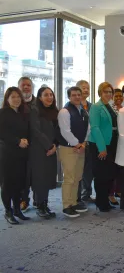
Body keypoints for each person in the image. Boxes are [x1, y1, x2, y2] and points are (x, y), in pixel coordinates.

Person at [57, 86, 90, 218]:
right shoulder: (64, 112)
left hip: (80, 148)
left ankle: (74, 202)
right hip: (69, 149)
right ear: (69, 97)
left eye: (79, 94)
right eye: (74, 95)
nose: (77, 97)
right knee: (69, 178)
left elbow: (89, 128)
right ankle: (66, 206)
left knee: (77, 177)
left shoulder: (83, 111)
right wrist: (77, 144)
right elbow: (65, 131)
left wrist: (84, 143)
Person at [0, 87, 30, 224]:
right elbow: (3, 133)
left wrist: (25, 140)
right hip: (7, 154)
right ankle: (8, 212)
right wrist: (18, 141)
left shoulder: (22, 113)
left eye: (18, 97)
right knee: (8, 184)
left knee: (19, 183)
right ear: (7, 99)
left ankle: (17, 210)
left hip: (22, 154)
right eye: (13, 97)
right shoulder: (3, 113)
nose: (16, 99)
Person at [88, 82, 118, 212]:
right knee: (101, 175)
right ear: (100, 93)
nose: (108, 94)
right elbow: (95, 128)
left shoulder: (110, 106)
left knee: (109, 174)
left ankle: (105, 199)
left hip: (111, 143)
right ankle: (101, 202)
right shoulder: (96, 107)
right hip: (100, 145)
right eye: (105, 92)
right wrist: (102, 148)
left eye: (110, 92)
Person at [30, 87, 59, 219]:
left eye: (51, 95)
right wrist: (48, 146)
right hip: (39, 150)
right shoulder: (35, 110)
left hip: (51, 149)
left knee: (47, 177)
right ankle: (40, 205)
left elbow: (59, 131)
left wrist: (55, 146)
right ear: (39, 97)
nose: (49, 97)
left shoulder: (55, 111)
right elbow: (36, 131)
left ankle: (44, 204)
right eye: (46, 95)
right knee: (40, 178)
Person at [18, 77, 36, 212]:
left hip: (37, 146)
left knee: (37, 175)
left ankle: (39, 200)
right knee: (22, 176)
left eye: (28, 85)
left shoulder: (39, 103)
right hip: (20, 147)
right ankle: (23, 200)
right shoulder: (13, 104)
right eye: (23, 85)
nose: (26, 87)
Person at [76, 80, 94, 203]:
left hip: (91, 143)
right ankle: (77, 197)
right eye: (83, 88)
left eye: (88, 88)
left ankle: (87, 193)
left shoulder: (92, 106)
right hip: (78, 143)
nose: (86, 90)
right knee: (78, 171)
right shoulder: (74, 106)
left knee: (89, 170)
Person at [109, 88, 124, 206]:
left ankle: (119, 190)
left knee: (120, 168)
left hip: (123, 142)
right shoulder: (110, 109)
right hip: (113, 140)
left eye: (120, 96)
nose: (118, 98)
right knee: (112, 169)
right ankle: (111, 194)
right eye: (116, 96)